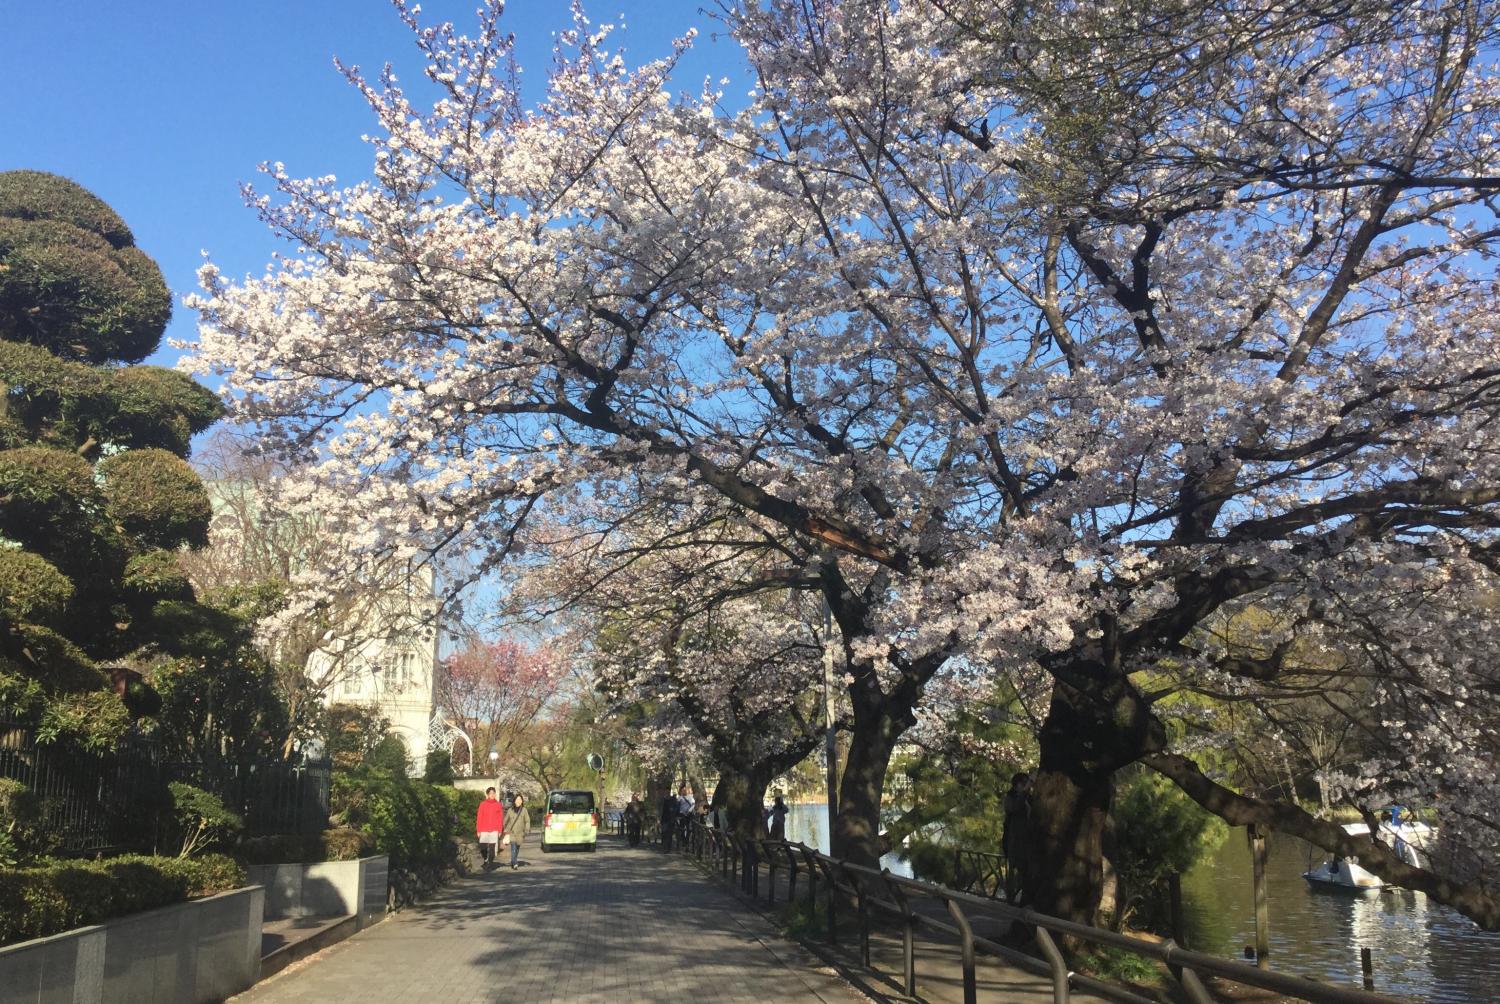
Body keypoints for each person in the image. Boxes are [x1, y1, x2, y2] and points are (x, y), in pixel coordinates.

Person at [1001, 772, 1032, 903]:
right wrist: (1024, 793)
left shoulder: (1029, 798)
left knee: (1028, 874)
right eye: (1024, 783)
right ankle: (1012, 899)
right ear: (1017, 784)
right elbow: (1014, 809)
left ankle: (1023, 901)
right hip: (1015, 842)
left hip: (1028, 842)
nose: (1027, 786)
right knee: (1018, 871)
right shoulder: (1010, 798)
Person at [475, 787, 505, 870]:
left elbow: (500, 818)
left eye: (493, 793)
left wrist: (499, 830)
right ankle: (485, 859)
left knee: (492, 848)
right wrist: (478, 830)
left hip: (494, 829)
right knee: (482, 847)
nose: (492, 795)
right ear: (487, 794)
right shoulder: (483, 804)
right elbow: (479, 817)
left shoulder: (498, 804)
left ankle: (490, 863)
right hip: (484, 829)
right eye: (491, 793)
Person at [504, 793, 530, 870]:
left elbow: (527, 821)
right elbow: (505, 820)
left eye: (520, 800)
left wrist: (527, 830)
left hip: (520, 833)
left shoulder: (524, 810)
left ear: (522, 801)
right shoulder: (510, 810)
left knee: (517, 848)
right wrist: (502, 828)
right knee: (513, 847)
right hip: (512, 832)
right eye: (517, 799)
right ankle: (515, 863)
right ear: (514, 801)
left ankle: (513, 861)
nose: (519, 801)